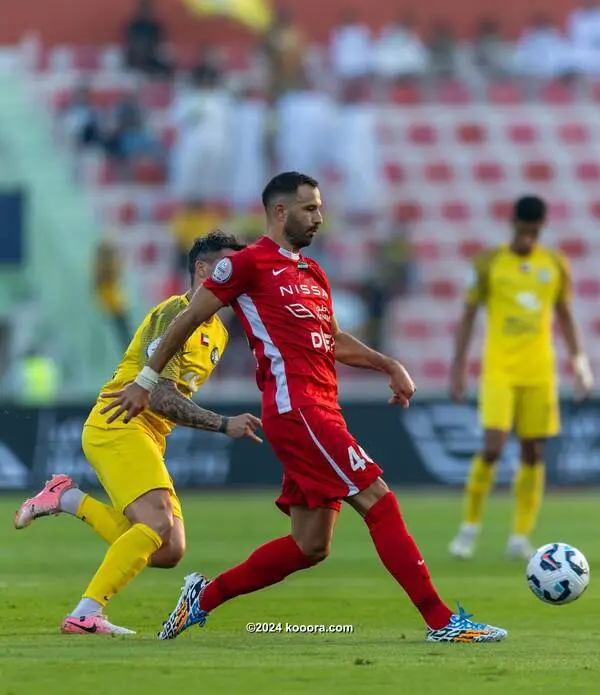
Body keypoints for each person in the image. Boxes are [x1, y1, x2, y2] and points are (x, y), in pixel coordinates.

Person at [101, 172, 507, 643]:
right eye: (310, 208)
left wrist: (388, 364)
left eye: (319, 208)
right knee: (378, 497)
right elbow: (190, 317)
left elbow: (331, 340)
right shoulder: (247, 265)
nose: (320, 218)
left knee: (309, 546)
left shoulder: (312, 274)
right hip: (298, 410)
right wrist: (146, 381)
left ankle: (203, 597)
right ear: (280, 212)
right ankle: (442, 622)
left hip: (322, 408)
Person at [13, 231, 262, 635]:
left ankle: (68, 498)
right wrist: (222, 424)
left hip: (147, 435)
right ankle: (85, 612)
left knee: (168, 550)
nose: (237, 277)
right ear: (202, 269)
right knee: (159, 523)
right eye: (227, 267)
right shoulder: (174, 314)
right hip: (118, 422)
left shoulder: (216, 330)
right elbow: (160, 396)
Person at [448, 196, 594, 561]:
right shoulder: (488, 263)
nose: (529, 239)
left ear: (541, 228)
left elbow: (565, 314)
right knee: (493, 446)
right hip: (499, 369)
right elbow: (467, 315)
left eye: (535, 232)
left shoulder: (555, 264)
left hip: (539, 371)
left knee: (534, 452)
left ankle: (519, 536)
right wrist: (458, 366)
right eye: (524, 231)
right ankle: (469, 528)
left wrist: (580, 362)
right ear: (513, 224)